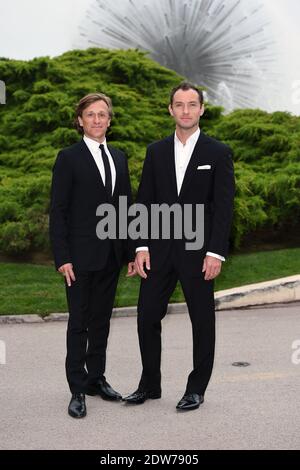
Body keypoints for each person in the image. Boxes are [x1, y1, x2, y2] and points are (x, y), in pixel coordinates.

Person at [123, 82, 235, 411]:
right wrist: (140, 246)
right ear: (170, 109)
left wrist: (216, 252)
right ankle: (150, 384)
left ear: (201, 110)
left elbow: (223, 207)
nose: (185, 111)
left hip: (200, 252)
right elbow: (144, 201)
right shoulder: (156, 151)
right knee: (146, 317)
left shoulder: (218, 152)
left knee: (201, 321)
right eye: (179, 105)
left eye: (192, 105)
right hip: (158, 250)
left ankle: (196, 388)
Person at [49, 93, 135, 418]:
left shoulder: (119, 157)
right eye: (90, 115)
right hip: (79, 259)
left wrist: (129, 252)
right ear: (80, 120)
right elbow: (58, 211)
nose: (97, 120)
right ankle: (77, 389)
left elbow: (125, 208)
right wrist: (63, 258)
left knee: (101, 322)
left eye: (102, 115)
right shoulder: (68, 158)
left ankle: (96, 379)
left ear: (109, 121)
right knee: (79, 323)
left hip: (110, 257)